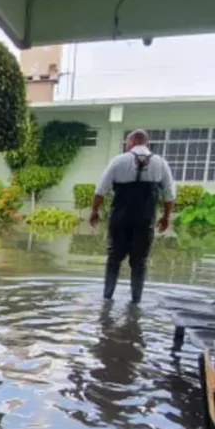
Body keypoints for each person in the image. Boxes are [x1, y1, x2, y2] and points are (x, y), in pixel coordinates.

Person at [89, 130, 175, 303]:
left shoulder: (119, 160)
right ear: (146, 143)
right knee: (140, 262)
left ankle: (107, 297)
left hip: (120, 219)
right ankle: (136, 301)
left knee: (114, 258)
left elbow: (100, 190)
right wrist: (166, 216)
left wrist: (94, 211)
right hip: (145, 220)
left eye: (126, 144)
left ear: (131, 143)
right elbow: (169, 195)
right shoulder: (160, 163)